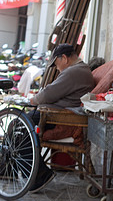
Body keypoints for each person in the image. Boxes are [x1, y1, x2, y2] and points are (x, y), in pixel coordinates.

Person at [27, 43, 95, 193]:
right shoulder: (79, 70)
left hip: (58, 117)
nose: (57, 68)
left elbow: (48, 94)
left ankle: (39, 173)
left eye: (56, 64)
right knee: (20, 124)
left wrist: (33, 100)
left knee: (21, 125)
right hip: (57, 113)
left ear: (64, 58)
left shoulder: (74, 72)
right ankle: (23, 168)